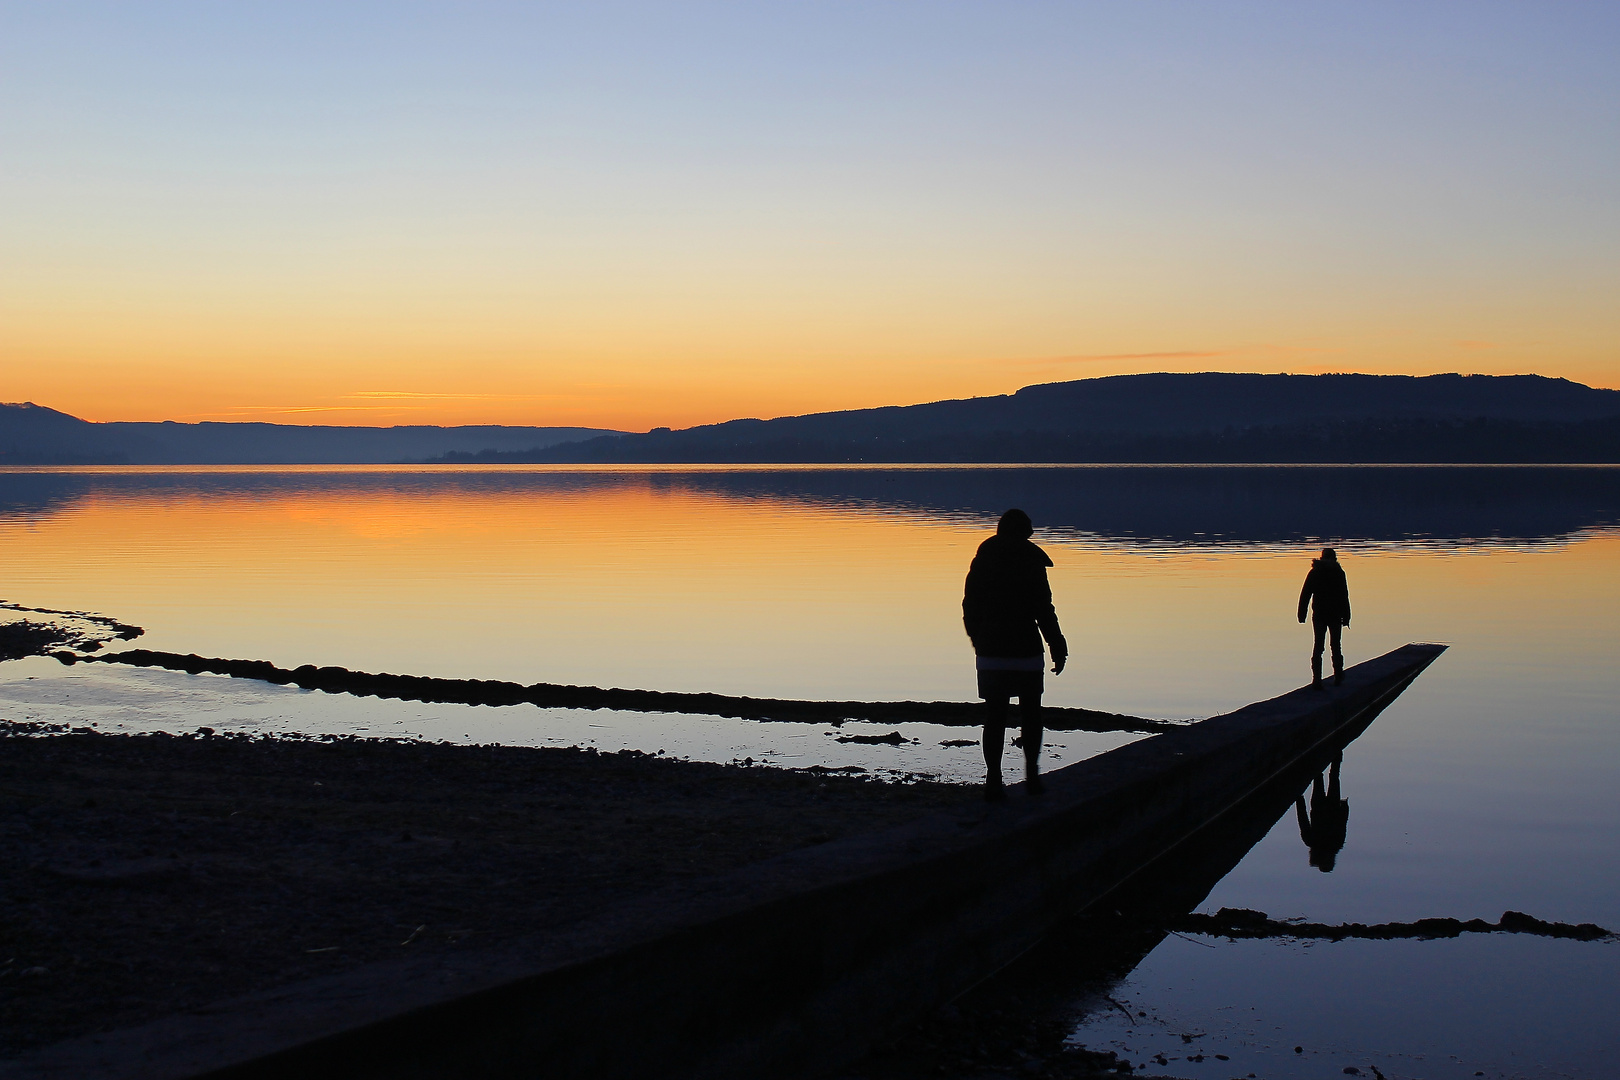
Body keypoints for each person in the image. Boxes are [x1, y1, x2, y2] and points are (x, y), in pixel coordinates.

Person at [962, 508, 1067, 801]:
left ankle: (994, 779)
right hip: (1024, 648)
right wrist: (1057, 645)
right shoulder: (1032, 562)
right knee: (1031, 714)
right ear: (1023, 533)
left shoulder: (982, 561)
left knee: (995, 715)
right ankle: (1031, 775)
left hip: (992, 648)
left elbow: (970, 607)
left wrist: (978, 641)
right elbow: (1044, 610)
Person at [1297, 546, 1350, 688]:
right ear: (1334, 558)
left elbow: (1305, 594)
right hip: (1335, 615)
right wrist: (1347, 617)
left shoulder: (1315, 572)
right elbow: (1344, 596)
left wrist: (1302, 614)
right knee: (1335, 646)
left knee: (1318, 646)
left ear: (1322, 558)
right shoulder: (1339, 573)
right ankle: (1338, 676)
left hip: (1319, 615)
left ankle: (1316, 680)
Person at [1294, 753, 1349, 871]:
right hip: (1324, 807)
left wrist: (1344, 808)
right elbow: (1302, 818)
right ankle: (1332, 752)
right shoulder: (1313, 841)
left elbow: (1342, 824)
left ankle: (1335, 752)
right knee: (1322, 777)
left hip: (1325, 807)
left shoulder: (1334, 844)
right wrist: (1298, 798)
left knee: (1331, 776)